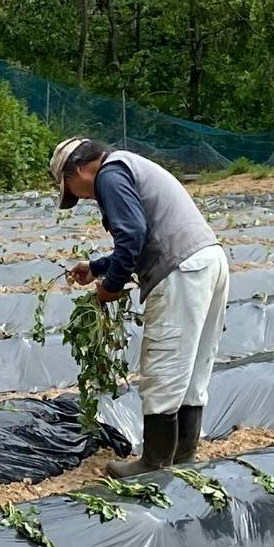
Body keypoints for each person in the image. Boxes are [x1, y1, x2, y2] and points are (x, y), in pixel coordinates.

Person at [53, 136, 229, 475]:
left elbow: (132, 234)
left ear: (77, 169)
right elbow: (142, 236)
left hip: (180, 269)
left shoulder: (109, 174)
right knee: (193, 367)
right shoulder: (130, 165)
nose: (80, 197)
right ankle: (182, 457)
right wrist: (96, 268)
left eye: (73, 190)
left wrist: (111, 287)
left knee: (164, 362)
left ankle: (154, 462)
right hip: (209, 259)